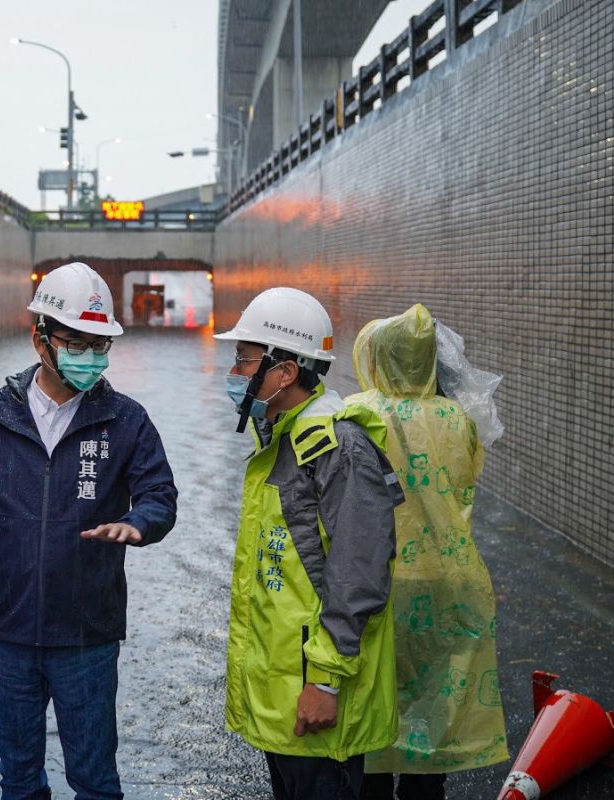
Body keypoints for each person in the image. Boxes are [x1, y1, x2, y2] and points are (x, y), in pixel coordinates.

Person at [0, 261, 178, 800]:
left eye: (99, 345)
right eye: (76, 342)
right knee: (17, 778)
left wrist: (137, 524)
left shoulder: (125, 420)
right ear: (39, 338)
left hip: (87, 631)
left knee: (94, 778)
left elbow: (160, 497)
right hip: (7, 628)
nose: (89, 356)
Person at [215, 287, 405, 800]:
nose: (234, 372)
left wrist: (324, 682)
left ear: (284, 371)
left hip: (320, 699)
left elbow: (358, 575)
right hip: (288, 697)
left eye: (244, 359)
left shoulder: (336, 448)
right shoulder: (282, 436)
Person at [348, 305, 508, 800]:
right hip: (447, 581)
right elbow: (467, 478)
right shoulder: (458, 418)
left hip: (380, 581)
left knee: (374, 709)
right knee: (431, 711)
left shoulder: (360, 412)